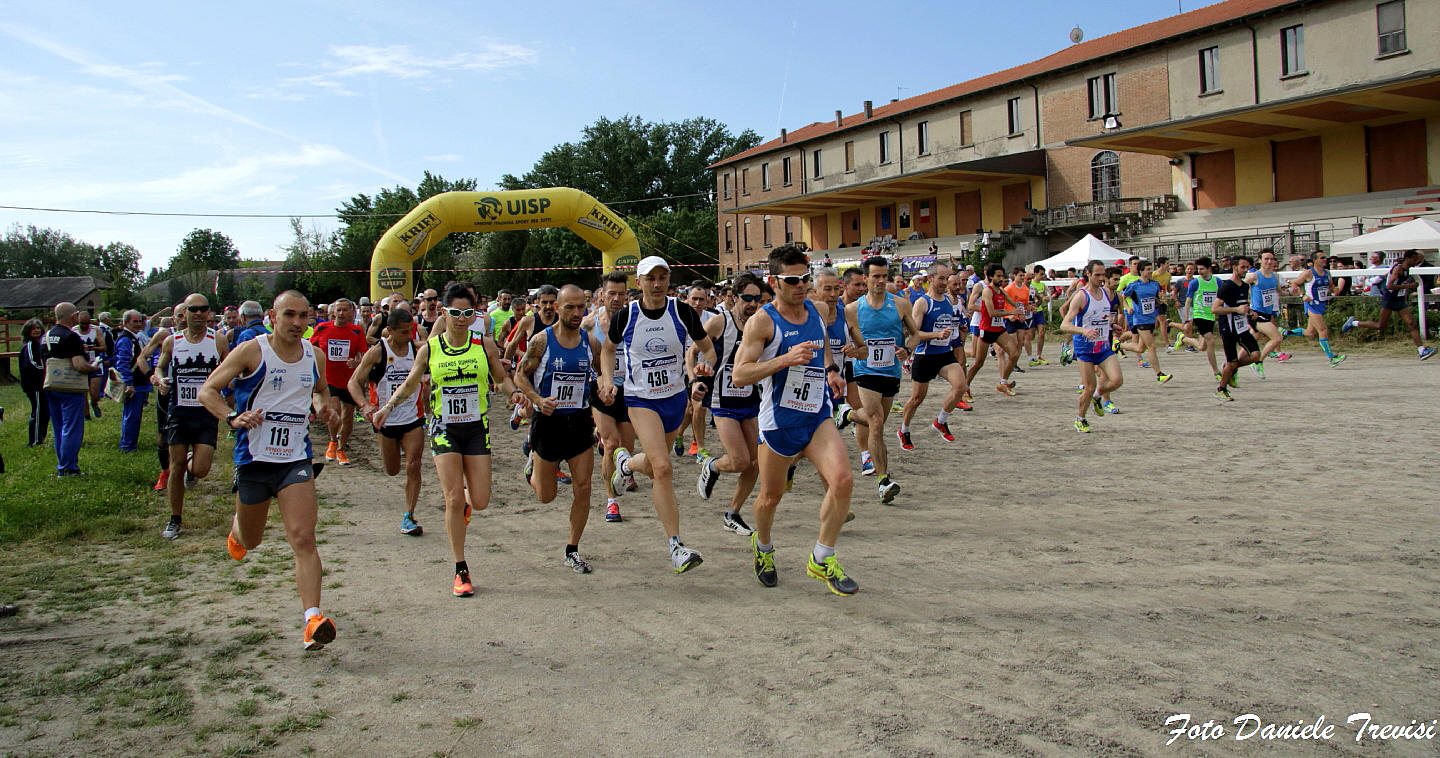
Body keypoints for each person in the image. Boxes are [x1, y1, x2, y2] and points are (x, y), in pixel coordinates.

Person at [200, 290, 339, 651]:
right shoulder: (252, 351)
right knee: (252, 540)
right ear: (271, 317)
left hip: (294, 460)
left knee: (303, 539)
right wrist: (232, 417)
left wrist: (324, 407)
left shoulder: (315, 355)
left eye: (303, 316)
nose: (297, 323)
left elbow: (321, 391)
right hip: (255, 460)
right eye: (289, 315)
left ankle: (312, 619)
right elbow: (208, 390)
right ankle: (237, 530)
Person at [374, 284, 523, 597]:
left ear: (474, 315)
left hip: (475, 428)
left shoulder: (482, 344)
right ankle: (460, 568)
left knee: (478, 500)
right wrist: (386, 408)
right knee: (453, 497)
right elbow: (412, 381)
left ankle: (466, 505)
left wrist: (517, 395)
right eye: (455, 312)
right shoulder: (431, 348)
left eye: (467, 313)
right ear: (443, 312)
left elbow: (500, 377)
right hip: (444, 428)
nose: (461, 318)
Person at [731, 245, 858, 595]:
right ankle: (765, 547)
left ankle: (822, 556)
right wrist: (784, 360)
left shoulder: (818, 310)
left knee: (843, 480)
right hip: (779, 421)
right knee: (770, 497)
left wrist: (830, 368)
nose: (800, 285)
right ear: (775, 281)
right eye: (792, 280)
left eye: (805, 278)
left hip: (817, 414)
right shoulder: (763, 321)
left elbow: (822, 344)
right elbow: (740, 376)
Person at [599, 255, 717, 574]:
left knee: (653, 465)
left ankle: (625, 463)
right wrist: (608, 380)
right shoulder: (627, 316)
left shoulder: (681, 312)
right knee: (664, 469)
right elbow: (608, 351)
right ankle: (676, 546)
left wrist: (704, 367)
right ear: (639, 282)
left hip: (675, 399)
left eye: (662, 277)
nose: (657, 283)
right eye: (650, 278)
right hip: (641, 400)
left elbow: (707, 348)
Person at [514, 284, 600, 573]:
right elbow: (519, 377)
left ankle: (572, 548)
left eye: (581, 307)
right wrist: (538, 399)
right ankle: (532, 468)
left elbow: (597, 378)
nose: (577, 313)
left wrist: (604, 391)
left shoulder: (591, 343)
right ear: (557, 309)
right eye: (570, 308)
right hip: (548, 423)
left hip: (579, 421)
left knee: (584, 487)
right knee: (546, 496)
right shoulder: (542, 341)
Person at [847, 256, 944, 504]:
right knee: (876, 422)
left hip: (891, 371)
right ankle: (883, 481)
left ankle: (847, 415)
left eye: (884, 276)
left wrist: (907, 350)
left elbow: (915, 334)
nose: (880, 281)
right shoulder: (853, 310)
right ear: (866, 279)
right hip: (865, 371)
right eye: (875, 276)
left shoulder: (900, 304)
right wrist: (855, 352)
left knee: (875, 422)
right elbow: (853, 345)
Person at [154, 294, 229, 539]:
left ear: (209, 313)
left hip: (206, 412)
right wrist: (160, 380)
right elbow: (159, 367)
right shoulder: (172, 341)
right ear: (184, 313)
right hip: (179, 411)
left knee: (201, 469)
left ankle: (191, 465)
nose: (198, 314)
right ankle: (175, 519)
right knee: (174, 467)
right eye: (193, 309)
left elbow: (230, 368)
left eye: (203, 310)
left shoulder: (218, 341)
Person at [695, 273, 765, 536]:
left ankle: (732, 513)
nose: (752, 303)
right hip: (722, 399)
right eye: (747, 298)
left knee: (754, 463)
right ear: (734, 297)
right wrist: (696, 376)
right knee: (738, 460)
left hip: (750, 398)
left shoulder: (760, 323)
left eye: (757, 299)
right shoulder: (720, 322)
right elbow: (694, 350)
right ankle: (712, 466)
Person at [350, 308, 427, 537]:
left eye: (411, 330)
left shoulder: (418, 350)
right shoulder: (377, 352)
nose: (409, 336)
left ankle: (409, 516)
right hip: (385, 420)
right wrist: (365, 405)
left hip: (413, 418)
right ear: (389, 331)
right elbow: (354, 382)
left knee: (414, 464)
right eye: (404, 332)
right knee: (392, 470)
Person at [583, 272, 635, 523]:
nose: (616, 298)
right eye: (611, 293)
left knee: (626, 449)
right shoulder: (589, 324)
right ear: (601, 294)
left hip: (630, 391)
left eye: (621, 294)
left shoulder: (635, 319)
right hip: (601, 390)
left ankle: (624, 471)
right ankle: (611, 502)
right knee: (612, 444)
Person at [898, 261, 965, 447]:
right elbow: (915, 333)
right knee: (917, 399)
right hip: (925, 356)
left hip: (944, 353)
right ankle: (904, 429)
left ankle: (941, 421)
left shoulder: (949, 301)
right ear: (931, 278)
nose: (945, 282)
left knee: (960, 386)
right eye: (941, 278)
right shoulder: (923, 303)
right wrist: (936, 334)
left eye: (947, 278)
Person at [1061, 261, 1123, 433]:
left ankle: (1098, 396)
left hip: (1103, 346)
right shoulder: (1081, 296)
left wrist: (1112, 325)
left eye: (1103, 275)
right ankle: (1080, 419)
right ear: (1088, 274)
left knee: (1117, 380)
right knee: (1088, 387)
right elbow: (1064, 325)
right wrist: (1083, 330)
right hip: (1085, 349)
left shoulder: (1105, 293)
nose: (1101, 278)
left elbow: (1102, 316)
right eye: (1097, 275)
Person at [1344, 250, 1436, 360]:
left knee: (1412, 323)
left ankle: (1421, 350)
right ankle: (1353, 323)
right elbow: (1389, 286)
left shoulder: (1406, 269)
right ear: (1408, 258)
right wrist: (1408, 286)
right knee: (1380, 326)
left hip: (1399, 300)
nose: (1416, 262)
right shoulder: (1398, 269)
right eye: (1414, 259)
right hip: (1389, 299)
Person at [44, 303, 102, 476]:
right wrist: (93, 367)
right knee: (72, 427)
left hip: (51, 384)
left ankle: (62, 462)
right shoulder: (71, 336)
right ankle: (68, 467)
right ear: (72, 317)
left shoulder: (47, 335)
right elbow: (78, 365)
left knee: (58, 427)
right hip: (70, 387)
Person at [309, 299, 369, 466]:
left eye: (345, 310)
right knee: (335, 411)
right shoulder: (322, 328)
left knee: (347, 417)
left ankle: (341, 448)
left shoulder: (357, 331)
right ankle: (332, 442)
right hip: (329, 379)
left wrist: (357, 363)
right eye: (339, 310)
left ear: (351, 313)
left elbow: (365, 355)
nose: (341, 313)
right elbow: (309, 348)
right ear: (333, 312)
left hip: (349, 381)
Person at [964, 265, 1024, 396]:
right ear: (991, 276)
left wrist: (1023, 310)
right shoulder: (988, 291)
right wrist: (1011, 312)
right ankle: (965, 387)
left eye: (1002, 276)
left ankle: (1003, 383)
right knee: (979, 363)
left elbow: (1014, 303)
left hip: (999, 329)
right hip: (987, 330)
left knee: (1014, 354)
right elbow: (991, 313)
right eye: (998, 276)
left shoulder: (1001, 291)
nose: (1001, 278)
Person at [1211, 254, 1263, 401]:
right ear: (1234, 268)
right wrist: (1236, 310)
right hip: (1228, 329)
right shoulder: (1226, 286)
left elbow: (1242, 304)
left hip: (1242, 327)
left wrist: (1250, 312)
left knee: (1255, 356)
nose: (1245, 270)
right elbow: (1215, 309)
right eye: (1242, 267)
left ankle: (1230, 369)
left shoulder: (1245, 286)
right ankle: (1221, 389)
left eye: (1247, 267)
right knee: (1232, 362)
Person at [1118, 261, 1173, 384]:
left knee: (1140, 348)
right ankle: (1159, 375)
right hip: (1139, 319)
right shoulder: (1134, 285)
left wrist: (1162, 300)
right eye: (1147, 269)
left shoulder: (1155, 284)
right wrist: (1127, 307)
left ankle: (1117, 345)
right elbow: (1122, 296)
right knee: (1151, 346)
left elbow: (1158, 298)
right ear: (1141, 271)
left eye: (1150, 269)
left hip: (1151, 318)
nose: (1150, 271)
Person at [1288, 253, 1347, 367]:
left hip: (1322, 305)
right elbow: (1295, 283)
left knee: (1310, 332)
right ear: (1315, 260)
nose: (1326, 260)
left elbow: (1330, 287)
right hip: (1312, 305)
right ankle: (1331, 358)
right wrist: (1302, 295)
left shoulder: (1327, 273)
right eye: (1322, 258)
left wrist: (1336, 289)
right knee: (1323, 330)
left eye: (1326, 257)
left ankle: (1285, 333)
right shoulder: (1308, 273)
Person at [1244, 249, 1293, 378]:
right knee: (1277, 337)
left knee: (1250, 342)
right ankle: (1258, 362)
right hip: (1256, 314)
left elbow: (1278, 292)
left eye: (1271, 259)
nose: (1269, 261)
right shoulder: (1254, 276)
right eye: (1266, 259)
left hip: (1267, 313)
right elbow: (1240, 288)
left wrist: (1291, 291)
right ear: (1260, 260)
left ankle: (1231, 367)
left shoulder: (1275, 276)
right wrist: (1244, 305)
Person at [112, 310, 151, 452]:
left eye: (140, 321)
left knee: (134, 415)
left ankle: (130, 443)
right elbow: (123, 363)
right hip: (134, 384)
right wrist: (129, 383)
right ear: (125, 322)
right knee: (132, 416)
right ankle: (127, 445)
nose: (138, 324)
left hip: (139, 383)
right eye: (134, 321)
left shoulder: (134, 337)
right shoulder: (125, 339)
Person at [1183, 257, 1224, 380]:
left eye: (1202, 269)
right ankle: (1216, 372)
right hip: (1199, 315)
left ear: (1209, 269)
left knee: (1202, 347)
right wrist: (1186, 319)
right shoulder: (1195, 283)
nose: (1199, 271)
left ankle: (1184, 339)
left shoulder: (1217, 282)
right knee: (1211, 341)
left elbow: (1223, 297)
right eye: (1198, 269)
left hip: (1211, 316)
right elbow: (1188, 301)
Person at [18, 318, 48, 447]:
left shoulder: (42, 345)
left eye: (38, 328)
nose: (36, 331)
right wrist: (47, 370)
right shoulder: (29, 346)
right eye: (33, 328)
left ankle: (40, 438)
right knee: (38, 411)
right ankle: (34, 441)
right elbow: (32, 364)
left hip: (43, 384)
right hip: (34, 385)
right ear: (28, 331)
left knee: (46, 412)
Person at [73, 310, 108, 419]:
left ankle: (94, 403)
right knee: (83, 391)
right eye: (82, 323)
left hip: (95, 362)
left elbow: (104, 347)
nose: (84, 326)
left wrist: (92, 348)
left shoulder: (96, 330)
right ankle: (86, 414)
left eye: (86, 323)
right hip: (81, 363)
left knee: (95, 393)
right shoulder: (73, 331)